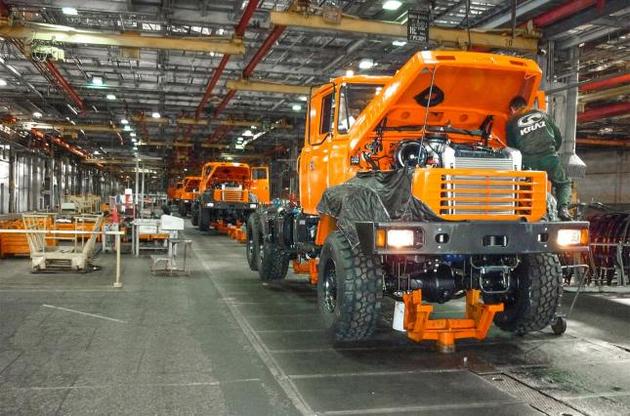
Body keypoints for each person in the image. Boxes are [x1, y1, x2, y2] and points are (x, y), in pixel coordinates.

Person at [506, 96, 572, 221]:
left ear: (512, 109)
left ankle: (535, 214)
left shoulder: (511, 122)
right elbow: (558, 137)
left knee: (528, 187)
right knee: (563, 183)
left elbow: (512, 149)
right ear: (526, 105)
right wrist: (552, 151)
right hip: (549, 157)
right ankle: (563, 209)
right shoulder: (542, 115)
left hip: (528, 161)